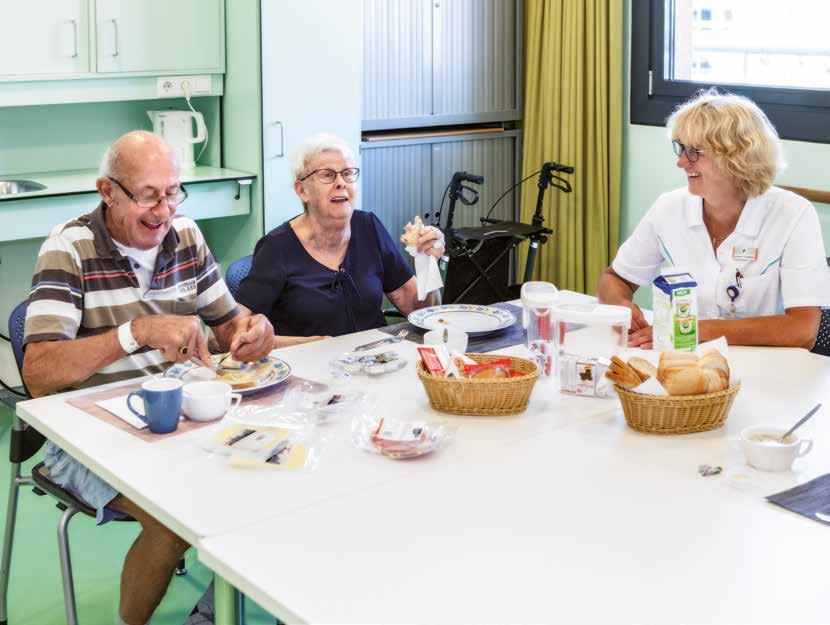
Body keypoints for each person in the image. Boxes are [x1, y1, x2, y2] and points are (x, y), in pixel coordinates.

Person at [21, 131, 275, 625]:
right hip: (83, 434)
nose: (164, 210)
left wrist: (251, 329)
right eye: (148, 194)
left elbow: (225, 329)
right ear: (107, 191)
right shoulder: (68, 248)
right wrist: (134, 333)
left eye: (173, 191)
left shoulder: (186, 236)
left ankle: (209, 613)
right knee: (171, 518)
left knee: (268, 472)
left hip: (178, 420)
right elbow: (38, 374)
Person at [598, 90, 829, 349]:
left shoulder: (793, 214)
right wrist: (621, 307)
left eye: (694, 152)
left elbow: (802, 329)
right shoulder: (669, 208)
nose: (682, 163)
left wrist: (700, 330)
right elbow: (615, 278)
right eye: (681, 149)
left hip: (768, 366)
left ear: (737, 157)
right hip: (687, 359)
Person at [235, 133, 444, 338]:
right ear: (302, 191)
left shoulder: (368, 227)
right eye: (327, 174)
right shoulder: (277, 248)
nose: (341, 182)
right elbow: (235, 334)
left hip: (376, 363)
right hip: (309, 367)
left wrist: (427, 262)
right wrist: (306, 344)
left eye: (347, 173)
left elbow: (421, 312)